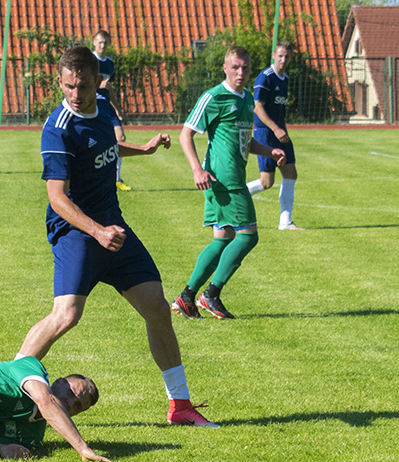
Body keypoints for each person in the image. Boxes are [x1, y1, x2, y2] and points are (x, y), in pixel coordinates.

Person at [16, 46, 218, 428]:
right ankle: (6, 386)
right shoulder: (58, 128)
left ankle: (180, 406)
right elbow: (57, 197)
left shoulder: (103, 110)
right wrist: (96, 230)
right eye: (69, 86)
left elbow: (105, 147)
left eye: (83, 86)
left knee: (157, 308)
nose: (76, 94)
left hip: (113, 228)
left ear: (98, 82)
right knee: (66, 315)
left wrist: (142, 149)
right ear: (59, 82)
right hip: (77, 232)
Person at [172, 45, 286, 320]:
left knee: (223, 239)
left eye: (245, 67)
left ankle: (186, 298)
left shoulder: (247, 99)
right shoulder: (214, 97)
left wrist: (269, 151)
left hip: (231, 177)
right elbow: (185, 134)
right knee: (248, 236)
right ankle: (210, 295)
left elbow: (245, 140)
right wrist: (197, 169)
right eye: (235, 67)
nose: (240, 72)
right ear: (225, 68)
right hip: (223, 180)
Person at [246, 41, 304, 230]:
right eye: (280, 55)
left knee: (291, 173)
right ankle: (237, 195)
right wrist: (275, 129)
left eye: (286, 56)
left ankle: (285, 222)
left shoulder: (284, 78)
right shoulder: (265, 77)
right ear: (273, 55)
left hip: (280, 132)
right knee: (266, 182)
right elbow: (257, 107)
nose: (283, 59)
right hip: (265, 132)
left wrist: (280, 129)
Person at [93, 30, 130, 191]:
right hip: (92, 105)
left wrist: (118, 109)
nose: (102, 45)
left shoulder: (109, 63)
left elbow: (109, 88)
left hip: (106, 105)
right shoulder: (90, 61)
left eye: (105, 43)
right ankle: (96, 178)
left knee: (120, 137)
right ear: (94, 42)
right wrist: (97, 84)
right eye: (100, 42)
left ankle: (117, 178)